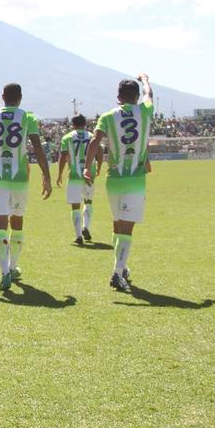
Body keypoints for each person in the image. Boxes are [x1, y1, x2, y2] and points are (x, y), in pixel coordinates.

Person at [0, 83, 52, 292]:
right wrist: (46, 175)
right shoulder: (27, 117)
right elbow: (37, 147)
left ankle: (4, 272)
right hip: (19, 178)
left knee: (0, 226)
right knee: (17, 222)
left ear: (2, 96)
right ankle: (13, 266)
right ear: (20, 98)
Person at [84, 73, 154, 292]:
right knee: (126, 229)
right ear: (136, 96)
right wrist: (145, 80)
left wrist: (87, 167)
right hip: (134, 179)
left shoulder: (107, 116)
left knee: (117, 225)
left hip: (113, 179)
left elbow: (95, 141)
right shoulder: (145, 110)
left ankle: (122, 268)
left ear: (118, 97)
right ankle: (116, 273)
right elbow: (149, 94)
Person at [57, 115, 100, 245]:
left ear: (73, 124)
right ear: (85, 123)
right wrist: (98, 168)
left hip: (74, 176)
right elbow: (100, 152)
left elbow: (63, 156)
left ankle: (78, 235)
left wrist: (59, 174)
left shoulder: (68, 137)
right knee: (88, 202)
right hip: (89, 175)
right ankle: (86, 227)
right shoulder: (92, 136)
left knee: (75, 206)